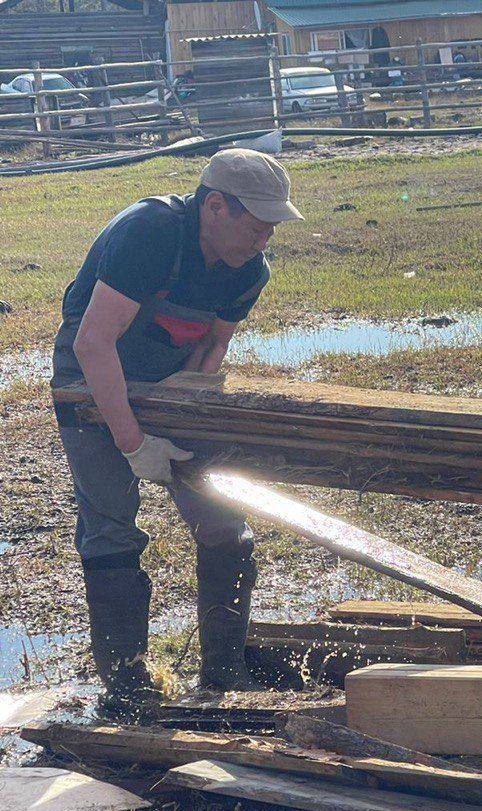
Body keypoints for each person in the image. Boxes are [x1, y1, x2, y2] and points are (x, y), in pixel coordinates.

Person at [50, 149, 303, 720]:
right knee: (111, 524)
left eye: (273, 228)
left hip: (171, 379)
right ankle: (127, 685)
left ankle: (223, 669)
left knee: (223, 524)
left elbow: (212, 348)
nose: (265, 239)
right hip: (89, 377)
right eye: (258, 225)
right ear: (216, 206)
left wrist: (187, 422)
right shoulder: (150, 234)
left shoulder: (250, 271)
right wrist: (134, 442)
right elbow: (95, 344)